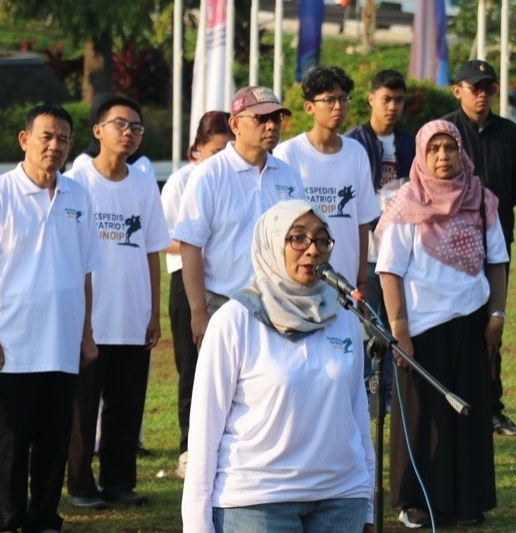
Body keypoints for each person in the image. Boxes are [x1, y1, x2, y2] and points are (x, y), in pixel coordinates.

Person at [181, 199, 375, 533]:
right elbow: (204, 429)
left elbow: (356, 413)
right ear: (271, 243)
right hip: (257, 502)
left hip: (342, 499)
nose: (312, 250)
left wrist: (367, 503)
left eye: (321, 239)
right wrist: (197, 525)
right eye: (297, 238)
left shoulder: (343, 317)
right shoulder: (234, 320)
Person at [0, 104, 102, 532]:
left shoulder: (79, 195)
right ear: (25, 140)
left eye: (63, 138)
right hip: (13, 341)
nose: (54, 145)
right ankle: (6, 518)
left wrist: (86, 334)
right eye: (46, 136)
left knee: (54, 437)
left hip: (61, 342)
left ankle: (43, 517)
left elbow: (85, 271)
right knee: (10, 438)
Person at [376, 120, 507, 528]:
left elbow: (497, 262)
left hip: (471, 324)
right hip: (420, 330)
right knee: (422, 418)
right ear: (421, 154)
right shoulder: (406, 203)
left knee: (469, 413)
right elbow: (389, 271)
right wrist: (400, 331)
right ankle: (416, 501)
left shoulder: (481, 200)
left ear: (461, 151)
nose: (442, 157)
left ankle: (468, 500)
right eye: (433, 149)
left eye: (449, 148)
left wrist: (496, 317)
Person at [65, 94, 169, 509]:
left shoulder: (145, 184)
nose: (129, 133)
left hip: (132, 314)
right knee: (82, 408)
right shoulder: (78, 183)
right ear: (97, 131)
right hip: (89, 317)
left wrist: (154, 312)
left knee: (127, 406)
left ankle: (119, 482)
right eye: (120, 124)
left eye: (137, 127)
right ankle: (79, 485)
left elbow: (152, 251)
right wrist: (82, 321)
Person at [174, 85, 305, 349]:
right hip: (222, 304)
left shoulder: (288, 175)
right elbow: (190, 247)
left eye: (276, 118)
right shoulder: (210, 175)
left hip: (278, 304)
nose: (271, 126)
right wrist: (199, 312)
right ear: (235, 125)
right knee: (223, 388)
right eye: (261, 118)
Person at [443, 59, 516, 436]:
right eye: (474, 87)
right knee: (453, 323)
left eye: (488, 87)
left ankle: (491, 407)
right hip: (450, 247)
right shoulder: (444, 132)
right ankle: (451, 401)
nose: (481, 94)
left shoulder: (510, 133)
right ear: (457, 89)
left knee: (493, 325)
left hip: (496, 245)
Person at [161, 110, 233, 478]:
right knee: (192, 369)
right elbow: (167, 240)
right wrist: (202, 243)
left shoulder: (232, 178)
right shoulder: (182, 181)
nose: (223, 157)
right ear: (197, 150)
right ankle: (189, 448)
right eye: (216, 149)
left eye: (228, 149)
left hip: (227, 284)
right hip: (187, 283)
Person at [274, 66, 379, 291]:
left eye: (343, 99)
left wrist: (361, 280)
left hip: (346, 283)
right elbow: (280, 225)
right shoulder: (288, 153)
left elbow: (362, 222)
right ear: (309, 107)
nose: (338, 107)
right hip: (302, 283)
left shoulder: (356, 152)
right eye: (329, 100)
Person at [345, 69, 415, 403]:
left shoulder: (410, 143)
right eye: (386, 99)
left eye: (399, 100)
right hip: (366, 250)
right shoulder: (354, 142)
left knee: (394, 321)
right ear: (371, 98)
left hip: (400, 251)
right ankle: (365, 389)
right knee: (367, 323)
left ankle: (387, 391)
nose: (392, 106)